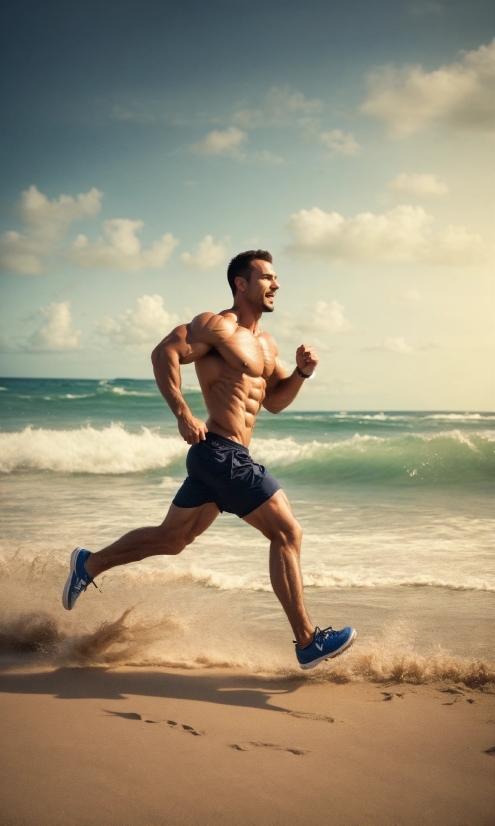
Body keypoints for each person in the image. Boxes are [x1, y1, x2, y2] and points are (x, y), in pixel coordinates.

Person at [62, 250, 356, 669]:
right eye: (268, 278)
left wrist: (301, 374)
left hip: (221, 457)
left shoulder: (267, 345)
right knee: (287, 532)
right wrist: (182, 411)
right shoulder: (216, 326)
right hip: (220, 451)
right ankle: (308, 641)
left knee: (172, 539)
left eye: (276, 278)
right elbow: (163, 353)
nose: (276, 285)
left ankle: (89, 564)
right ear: (241, 284)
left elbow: (272, 402)